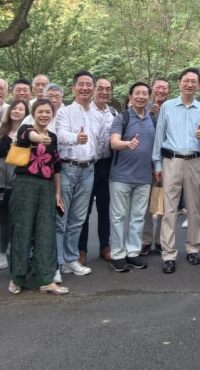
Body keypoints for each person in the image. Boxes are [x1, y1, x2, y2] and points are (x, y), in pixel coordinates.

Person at [152, 67, 200, 273]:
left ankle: (193, 248)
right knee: (169, 208)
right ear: (179, 83)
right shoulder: (167, 107)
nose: (189, 84)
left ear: (198, 85)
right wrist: (157, 164)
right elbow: (159, 136)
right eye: (186, 80)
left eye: (194, 81)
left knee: (194, 207)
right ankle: (168, 253)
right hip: (172, 161)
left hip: (195, 161)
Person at [8, 99, 69, 296]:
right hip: (25, 185)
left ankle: (46, 279)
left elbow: (56, 166)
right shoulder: (25, 130)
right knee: (22, 230)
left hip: (46, 186)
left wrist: (57, 193)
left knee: (46, 231)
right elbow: (29, 136)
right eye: (40, 111)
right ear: (33, 114)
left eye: (48, 112)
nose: (44, 115)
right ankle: (17, 278)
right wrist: (39, 138)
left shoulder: (53, 136)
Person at [51, 70, 107, 278]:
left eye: (89, 84)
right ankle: (56, 264)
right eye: (81, 84)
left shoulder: (98, 116)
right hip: (67, 168)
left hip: (89, 169)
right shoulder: (64, 112)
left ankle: (71, 259)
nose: (85, 88)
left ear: (93, 89)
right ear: (73, 88)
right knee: (61, 218)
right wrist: (76, 138)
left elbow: (101, 142)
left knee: (78, 219)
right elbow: (59, 134)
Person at [109, 83, 156, 272]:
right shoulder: (122, 117)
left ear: (148, 97)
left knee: (138, 217)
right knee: (118, 217)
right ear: (130, 96)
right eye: (137, 93)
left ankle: (133, 252)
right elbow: (114, 142)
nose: (141, 96)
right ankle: (117, 255)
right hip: (121, 176)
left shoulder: (152, 119)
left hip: (144, 177)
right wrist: (127, 144)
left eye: (145, 93)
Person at [0, 99, 28, 271]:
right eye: (14, 108)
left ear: (26, 113)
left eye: (21, 109)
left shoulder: (27, 132)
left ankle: (3, 252)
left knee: (6, 218)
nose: (16, 111)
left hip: (14, 181)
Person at [80, 77, 118, 263]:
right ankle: (81, 249)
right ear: (94, 90)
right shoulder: (85, 111)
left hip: (108, 165)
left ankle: (105, 246)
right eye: (100, 88)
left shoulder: (113, 113)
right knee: (84, 210)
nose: (104, 92)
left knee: (105, 208)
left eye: (108, 89)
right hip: (90, 165)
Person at [140, 77, 175, 256]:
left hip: (168, 160)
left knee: (166, 201)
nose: (161, 91)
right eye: (158, 87)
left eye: (164, 88)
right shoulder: (142, 107)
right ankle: (145, 239)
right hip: (144, 162)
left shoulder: (173, 108)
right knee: (145, 202)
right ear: (152, 90)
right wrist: (149, 114)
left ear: (169, 91)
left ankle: (161, 239)